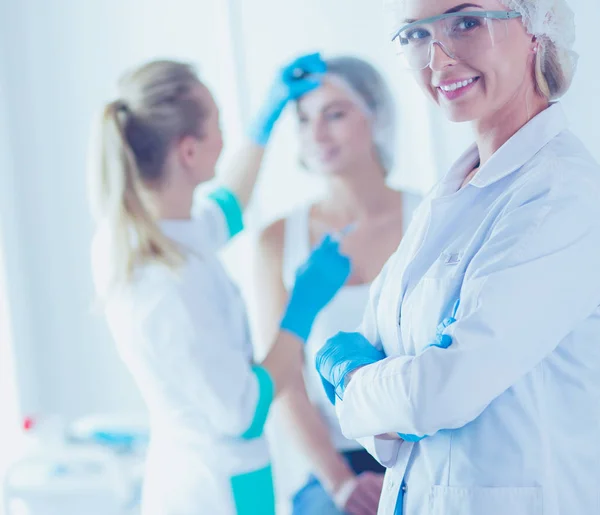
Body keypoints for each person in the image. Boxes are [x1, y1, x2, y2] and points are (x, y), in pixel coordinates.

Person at [317, 1, 600, 514]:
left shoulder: (563, 195)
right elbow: (395, 378)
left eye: (466, 23)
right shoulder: (449, 195)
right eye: (415, 36)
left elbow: (439, 394)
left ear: (538, 29)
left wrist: (353, 386)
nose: (438, 59)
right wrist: (395, 398)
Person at [88, 55, 352, 515]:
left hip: (229, 475)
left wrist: (265, 120)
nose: (227, 137)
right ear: (188, 152)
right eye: (219, 124)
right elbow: (245, 413)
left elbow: (227, 207)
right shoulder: (164, 286)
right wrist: (302, 307)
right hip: (213, 491)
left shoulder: (156, 229)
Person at [255, 56, 421, 515]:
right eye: (305, 120)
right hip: (334, 465)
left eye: (335, 114)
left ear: (375, 113)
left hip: (425, 451)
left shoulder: (430, 217)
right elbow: (283, 379)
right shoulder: (276, 241)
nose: (317, 134)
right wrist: (342, 484)